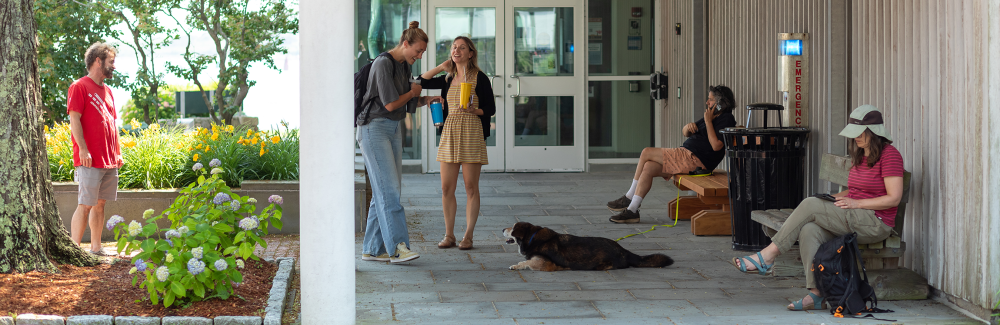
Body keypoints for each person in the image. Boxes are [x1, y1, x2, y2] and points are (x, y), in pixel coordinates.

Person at [730, 105, 903, 311]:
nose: (854, 138)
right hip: (854, 215)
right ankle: (817, 294)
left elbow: (894, 198)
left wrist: (856, 204)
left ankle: (767, 256)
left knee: (810, 205)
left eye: (859, 133)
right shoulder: (862, 155)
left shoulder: (890, 155)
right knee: (809, 229)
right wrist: (830, 199)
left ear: (873, 132)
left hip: (875, 222)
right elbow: (854, 191)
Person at [358, 21, 440, 263]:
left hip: (393, 128)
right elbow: (391, 103)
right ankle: (397, 247)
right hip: (374, 129)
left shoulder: (404, 65)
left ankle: (372, 249)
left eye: (423, 52)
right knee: (389, 190)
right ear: (405, 44)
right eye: (418, 50)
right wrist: (414, 93)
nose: (420, 55)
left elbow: (408, 102)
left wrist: (426, 99)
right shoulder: (383, 63)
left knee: (385, 191)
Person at [606, 85, 738, 224]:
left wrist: (708, 121)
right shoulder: (712, 116)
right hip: (686, 156)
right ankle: (632, 210)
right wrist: (687, 128)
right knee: (649, 167)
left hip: (695, 160)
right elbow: (686, 133)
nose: (707, 102)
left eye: (710, 100)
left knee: (646, 152)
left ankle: (628, 197)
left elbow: (717, 146)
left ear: (721, 103)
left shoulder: (726, 119)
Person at [418, 36, 496, 250]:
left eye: (462, 48)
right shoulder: (446, 77)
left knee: (471, 187)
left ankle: (468, 235)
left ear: (471, 53)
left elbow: (490, 109)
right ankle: (449, 235)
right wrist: (440, 67)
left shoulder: (479, 77)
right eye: (454, 47)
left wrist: (474, 110)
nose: (456, 50)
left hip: (472, 132)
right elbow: (420, 81)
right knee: (446, 188)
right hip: (450, 133)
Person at [68, 42, 123, 255]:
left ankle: (96, 248)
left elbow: (111, 124)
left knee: (100, 204)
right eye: (111, 62)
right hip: (89, 158)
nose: (114, 67)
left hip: (108, 159)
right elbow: (75, 120)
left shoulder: (108, 91)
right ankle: (73, 251)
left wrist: (116, 152)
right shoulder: (79, 86)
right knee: (85, 204)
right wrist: (82, 149)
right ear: (98, 61)